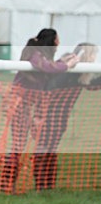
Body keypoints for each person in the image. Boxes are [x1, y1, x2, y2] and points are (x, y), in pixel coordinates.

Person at [0, 28, 79, 193]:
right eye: (57, 41)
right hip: (20, 103)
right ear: (52, 42)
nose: (58, 44)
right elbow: (48, 68)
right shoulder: (34, 53)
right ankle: (7, 185)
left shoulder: (39, 53)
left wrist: (62, 61)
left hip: (31, 104)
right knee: (18, 145)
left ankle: (11, 185)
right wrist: (67, 65)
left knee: (27, 144)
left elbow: (49, 67)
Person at [33, 43, 100, 191]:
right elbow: (47, 91)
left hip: (60, 119)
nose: (95, 58)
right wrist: (39, 116)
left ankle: (47, 186)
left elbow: (92, 85)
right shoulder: (67, 72)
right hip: (46, 118)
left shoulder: (80, 75)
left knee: (51, 149)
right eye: (94, 54)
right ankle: (40, 186)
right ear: (87, 56)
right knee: (43, 149)